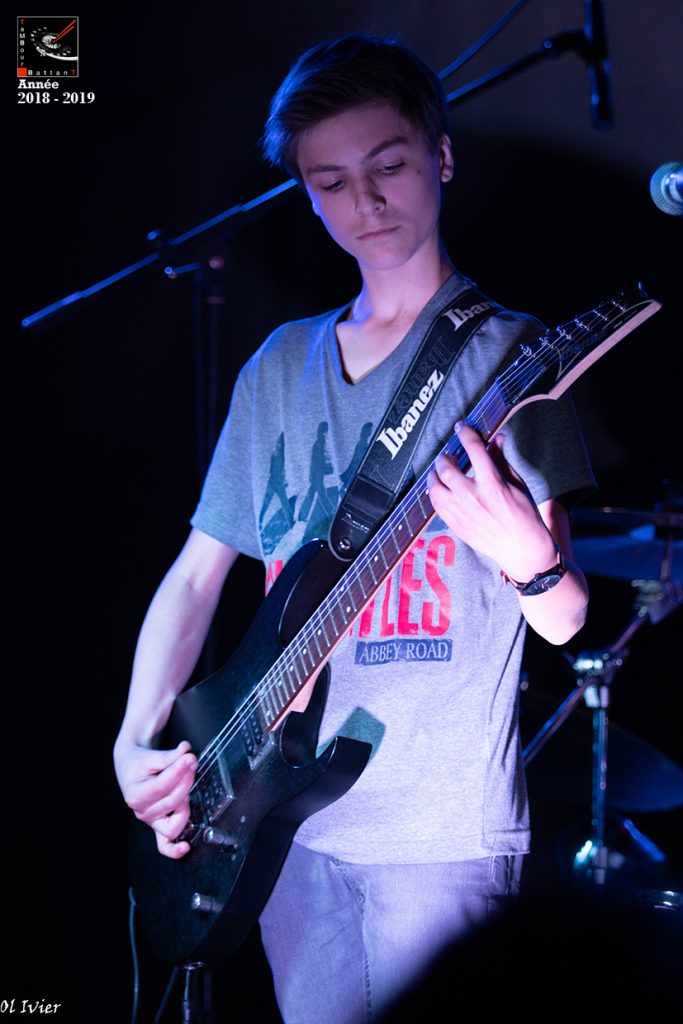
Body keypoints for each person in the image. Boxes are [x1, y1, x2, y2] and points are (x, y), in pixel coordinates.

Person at [114, 33, 595, 1023]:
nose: (365, 203)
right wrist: (133, 743)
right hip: (280, 827)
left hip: (439, 837)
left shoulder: (511, 358)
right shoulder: (277, 367)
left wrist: (529, 559)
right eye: (330, 183)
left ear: (441, 156)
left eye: (388, 166)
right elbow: (197, 577)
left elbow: (564, 619)